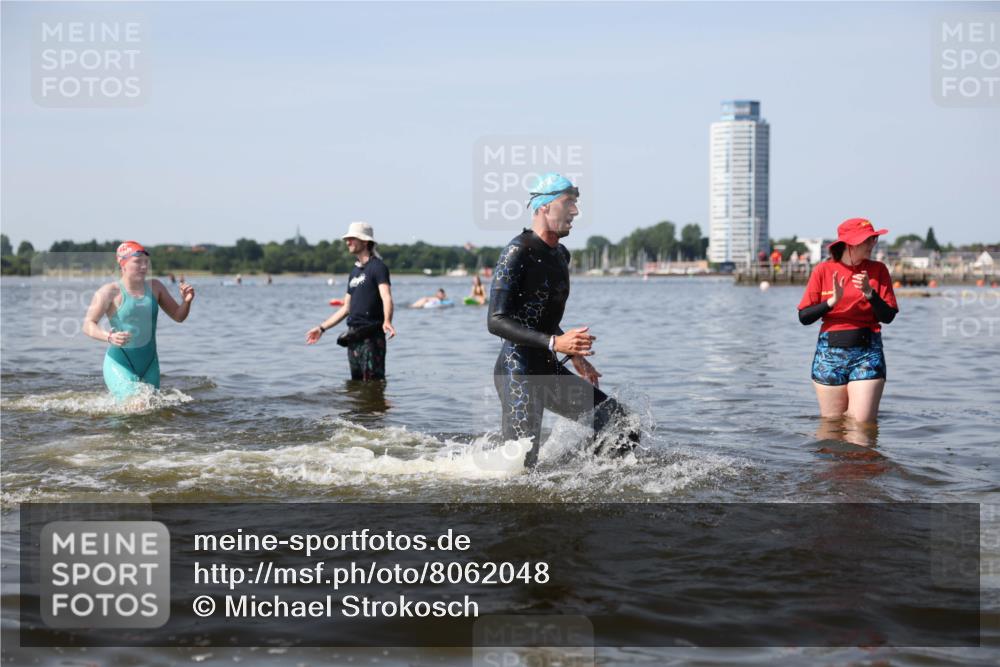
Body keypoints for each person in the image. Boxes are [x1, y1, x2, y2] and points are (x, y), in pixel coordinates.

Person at [487, 173, 639, 468]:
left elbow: (538, 315)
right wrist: (556, 342)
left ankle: (590, 481)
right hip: (518, 372)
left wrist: (571, 350)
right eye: (568, 202)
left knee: (621, 424)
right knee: (520, 468)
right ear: (544, 206)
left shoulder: (560, 255)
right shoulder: (517, 252)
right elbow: (496, 320)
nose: (575, 211)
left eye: (576, 203)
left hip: (547, 367)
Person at [798, 218, 898, 424]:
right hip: (829, 356)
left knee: (862, 425)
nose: (872, 244)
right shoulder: (823, 270)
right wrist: (831, 302)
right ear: (850, 243)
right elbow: (804, 317)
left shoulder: (879, 270)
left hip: (868, 353)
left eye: (874, 239)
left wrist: (870, 293)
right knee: (832, 426)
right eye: (867, 240)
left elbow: (888, 317)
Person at [82, 241, 195, 402]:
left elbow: (178, 316)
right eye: (137, 262)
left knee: (151, 408)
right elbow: (88, 325)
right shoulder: (109, 292)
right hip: (120, 362)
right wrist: (109, 337)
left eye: (146, 262)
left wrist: (186, 302)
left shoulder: (156, 287)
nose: (144, 266)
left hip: (150, 365)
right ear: (123, 264)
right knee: (136, 404)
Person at [306, 222, 396, 381]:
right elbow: (346, 307)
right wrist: (321, 328)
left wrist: (387, 320)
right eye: (347, 239)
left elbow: (386, 297)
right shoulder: (354, 272)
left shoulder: (378, 267)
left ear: (365, 242)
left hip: (372, 337)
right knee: (355, 385)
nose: (348, 242)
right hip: (353, 337)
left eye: (352, 239)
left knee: (373, 385)